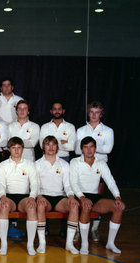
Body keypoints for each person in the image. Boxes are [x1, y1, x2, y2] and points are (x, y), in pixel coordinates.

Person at [70, 136, 125, 255]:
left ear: (95, 149)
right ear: (81, 149)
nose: (89, 150)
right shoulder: (75, 162)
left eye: (91, 147)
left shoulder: (101, 163)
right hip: (79, 196)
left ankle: (110, 243)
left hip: (95, 196)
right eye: (85, 147)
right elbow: (73, 183)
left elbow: (110, 181)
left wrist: (117, 197)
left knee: (118, 208)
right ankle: (84, 243)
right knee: (86, 206)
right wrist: (82, 198)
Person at [75, 101, 114, 241]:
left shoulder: (108, 131)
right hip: (83, 168)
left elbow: (108, 149)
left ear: (101, 114)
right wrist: (98, 145)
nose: (94, 115)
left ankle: (94, 229)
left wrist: (89, 148)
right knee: (81, 199)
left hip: (100, 168)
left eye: (97, 112)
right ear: (88, 113)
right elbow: (77, 150)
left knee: (97, 199)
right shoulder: (80, 130)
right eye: (91, 112)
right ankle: (78, 229)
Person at [35, 136, 80, 254]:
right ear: (43, 147)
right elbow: (35, 185)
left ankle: (69, 244)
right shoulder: (37, 164)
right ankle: (42, 243)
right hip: (44, 196)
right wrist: (39, 196)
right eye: (48, 144)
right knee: (40, 206)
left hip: (60, 197)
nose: (51, 147)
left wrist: (71, 196)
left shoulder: (64, 164)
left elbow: (68, 185)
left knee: (74, 206)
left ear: (57, 147)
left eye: (53, 145)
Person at [39, 100, 76, 237]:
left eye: (59, 109)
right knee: (45, 192)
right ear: (51, 111)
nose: (57, 111)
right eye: (54, 109)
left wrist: (57, 143)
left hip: (64, 160)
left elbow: (72, 146)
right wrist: (63, 141)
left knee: (65, 193)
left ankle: (64, 229)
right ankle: (45, 228)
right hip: (46, 160)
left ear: (63, 111)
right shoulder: (45, 127)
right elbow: (42, 144)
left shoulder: (70, 127)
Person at [0, 137, 38, 255]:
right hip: (8, 197)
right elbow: (1, 183)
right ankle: (4, 244)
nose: (16, 151)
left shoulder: (29, 164)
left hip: (24, 197)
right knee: (4, 207)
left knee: (31, 207)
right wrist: (3, 196)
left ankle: (30, 245)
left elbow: (34, 183)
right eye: (13, 148)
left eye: (19, 148)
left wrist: (32, 197)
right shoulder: (3, 164)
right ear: (9, 149)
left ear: (23, 149)